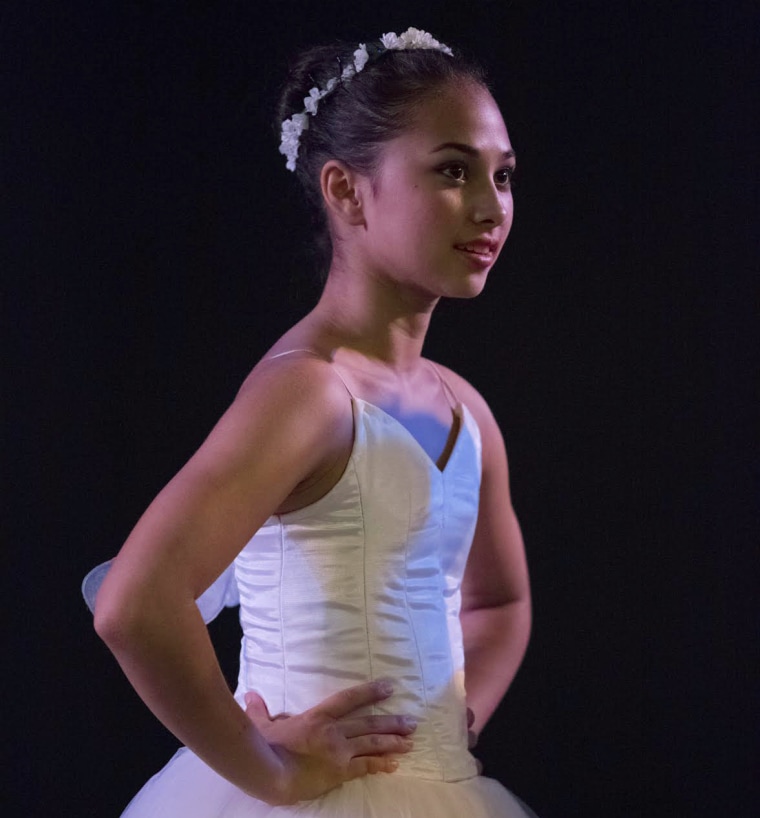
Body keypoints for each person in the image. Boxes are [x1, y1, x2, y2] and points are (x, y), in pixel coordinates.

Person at [86, 26, 536, 817]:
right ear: (346, 191)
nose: (489, 205)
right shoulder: (309, 394)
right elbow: (135, 603)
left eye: (503, 176)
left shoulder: (466, 411)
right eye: (452, 171)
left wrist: (445, 730)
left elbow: (498, 604)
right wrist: (271, 772)